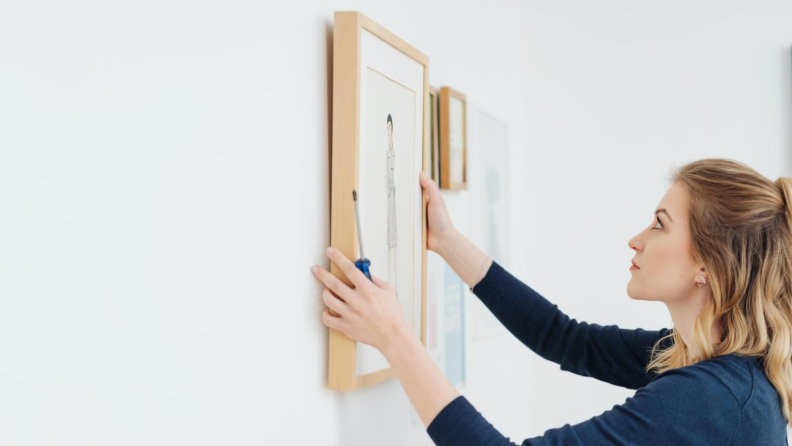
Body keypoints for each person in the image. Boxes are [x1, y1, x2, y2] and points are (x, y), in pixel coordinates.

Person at [310, 158, 791, 445]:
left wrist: (395, 338)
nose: (635, 239)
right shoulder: (712, 365)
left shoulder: (714, 399)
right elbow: (565, 338)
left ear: (711, 265)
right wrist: (448, 241)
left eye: (660, 224)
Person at [385, 113, 398, 298]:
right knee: (390, 239)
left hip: (394, 197)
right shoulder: (387, 152)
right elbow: (386, 178)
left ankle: (394, 287)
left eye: (390, 128)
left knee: (394, 239)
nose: (389, 132)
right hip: (390, 197)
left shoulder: (393, 151)